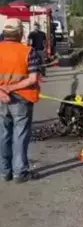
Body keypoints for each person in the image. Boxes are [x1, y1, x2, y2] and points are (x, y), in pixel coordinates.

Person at [0, 18, 42, 183]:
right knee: (20, 135)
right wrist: (10, 88)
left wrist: (2, 90)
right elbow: (33, 78)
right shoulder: (28, 51)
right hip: (22, 98)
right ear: (20, 33)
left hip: (1, 98)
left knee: (3, 134)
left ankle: (5, 171)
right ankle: (20, 173)